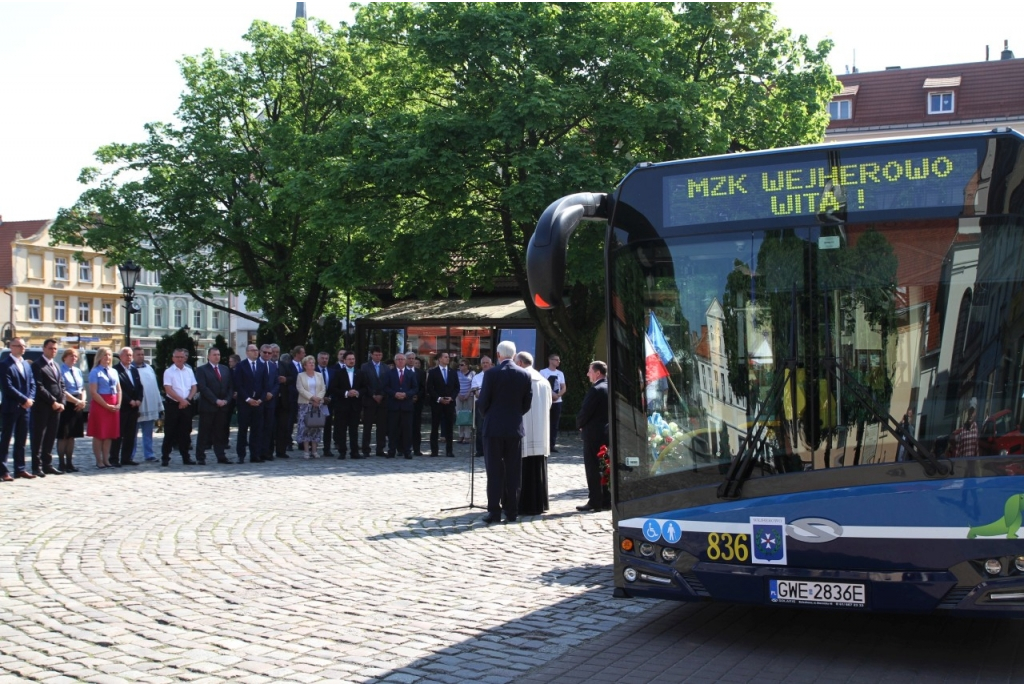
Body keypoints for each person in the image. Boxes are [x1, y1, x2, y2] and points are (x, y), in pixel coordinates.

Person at [478, 340, 533, 524]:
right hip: (514, 428)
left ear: (498, 355)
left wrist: (489, 416)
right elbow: (526, 403)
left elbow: (483, 401)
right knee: (513, 471)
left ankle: (494, 511)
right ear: (514, 354)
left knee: (494, 471)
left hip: (493, 428)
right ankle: (511, 511)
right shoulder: (524, 374)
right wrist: (515, 416)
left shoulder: (491, 373)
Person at [515, 351, 552, 516]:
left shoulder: (520, 380)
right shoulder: (544, 381)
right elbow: (550, 404)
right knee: (537, 467)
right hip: (540, 430)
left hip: (524, 431)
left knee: (523, 468)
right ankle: (540, 503)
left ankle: (523, 504)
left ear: (521, 364)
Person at [0, 338, 37, 480]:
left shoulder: (26, 365)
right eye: (19, 346)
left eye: (24, 346)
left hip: (26, 407)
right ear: (11, 347)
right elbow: (7, 387)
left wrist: (30, 399)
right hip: (11, 407)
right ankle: (3, 471)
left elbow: (32, 383)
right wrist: (24, 399)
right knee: (6, 439)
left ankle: (20, 469)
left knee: (21, 440)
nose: (22, 348)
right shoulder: (4, 365)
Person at [30, 338, 67, 476]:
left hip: (56, 408)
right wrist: (53, 401)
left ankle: (47, 464)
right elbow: (39, 387)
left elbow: (61, 385)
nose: (53, 351)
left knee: (51, 436)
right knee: (39, 437)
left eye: (55, 349)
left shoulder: (56, 365)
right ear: (44, 349)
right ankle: (36, 466)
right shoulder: (37, 365)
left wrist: (62, 401)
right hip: (43, 407)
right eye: (50, 348)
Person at [576, 360, 609, 512]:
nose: (588, 374)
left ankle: (595, 500)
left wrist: (580, 425)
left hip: (593, 434)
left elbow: (585, 411)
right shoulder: (610, 387)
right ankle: (607, 498)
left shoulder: (596, 389)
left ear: (597, 373)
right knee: (606, 466)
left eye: (590, 371)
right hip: (607, 433)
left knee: (593, 467)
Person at [196, 347, 233, 464]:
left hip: (223, 407)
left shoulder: (225, 369)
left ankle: (221, 455)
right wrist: (215, 400)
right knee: (204, 433)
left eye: (218, 354)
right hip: (208, 406)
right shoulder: (202, 370)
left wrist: (226, 400)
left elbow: (230, 387)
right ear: (208, 356)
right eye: (214, 355)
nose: (217, 357)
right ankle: (201, 457)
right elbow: (203, 388)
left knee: (220, 433)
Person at [162, 347, 198, 466]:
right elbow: (168, 389)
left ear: (185, 358)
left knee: (185, 432)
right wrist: (181, 400)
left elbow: (194, 387)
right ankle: (165, 457)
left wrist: (187, 400)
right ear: (173, 358)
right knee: (170, 432)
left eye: (182, 357)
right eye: (177, 357)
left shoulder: (189, 371)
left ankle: (186, 457)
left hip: (187, 405)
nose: (179, 359)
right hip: (173, 405)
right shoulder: (169, 372)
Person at [87, 347, 121, 469]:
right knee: (99, 434)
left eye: (110, 355)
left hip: (113, 403)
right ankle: (99, 460)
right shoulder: (95, 372)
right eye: (105, 355)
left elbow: (118, 389)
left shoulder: (114, 371)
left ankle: (106, 459)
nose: (108, 357)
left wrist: (118, 404)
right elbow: (94, 392)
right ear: (100, 357)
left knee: (109, 434)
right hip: (101, 404)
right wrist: (106, 405)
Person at [109, 347, 142, 467]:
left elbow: (139, 386)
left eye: (130, 355)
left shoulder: (134, 369)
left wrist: (139, 399)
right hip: (122, 406)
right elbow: (119, 389)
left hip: (134, 408)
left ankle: (126, 458)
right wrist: (130, 401)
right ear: (120, 356)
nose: (129, 357)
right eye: (126, 355)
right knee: (118, 434)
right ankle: (114, 458)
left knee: (131, 434)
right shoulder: (115, 370)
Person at [56, 348, 87, 473]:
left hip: (77, 404)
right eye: (71, 356)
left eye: (75, 356)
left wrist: (82, 401)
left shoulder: (78, 371)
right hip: (66, 404)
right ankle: (61, 463)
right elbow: (62, 390)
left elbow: (82, 388)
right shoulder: (61, 370)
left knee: (72, 436)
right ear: (65, 357)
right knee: (63, 435)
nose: (73, 358)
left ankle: (70, 462)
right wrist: (76, 401)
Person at [233, 344, 265, 464]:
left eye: (256, 350)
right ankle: (241, 455)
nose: (255, 352)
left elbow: (265, 384)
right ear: (247, 353)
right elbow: (238, 384)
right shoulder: (241, 366)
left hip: (258, 403)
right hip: (245, 403)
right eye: (252, 350)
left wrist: (261, 399)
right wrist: (247, 399)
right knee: (243, 430)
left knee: (256, 430)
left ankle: (255, 454)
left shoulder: (262, 366)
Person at [384, 352, 418, 459]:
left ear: (405, 361)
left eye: (402, 359)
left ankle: (407, 451)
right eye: (398, 359)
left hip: (406, 406)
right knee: (393, 430)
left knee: (407, 430)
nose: (400, 361)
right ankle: (391, 450)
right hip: (393, 405)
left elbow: (415, 388)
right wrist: (394, 394)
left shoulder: (411, 374)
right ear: (395, 361)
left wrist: (406, 394)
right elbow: (385, 387)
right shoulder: (389, 373)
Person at [427, 351, 460, 457]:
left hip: (449, 403)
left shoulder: (453, 372)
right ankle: (434, 450)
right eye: (445, 357)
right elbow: (429, 388)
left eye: (448, 357)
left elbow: (457, 387)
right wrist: (439, 398)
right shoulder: (433, 372)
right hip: (437, 403)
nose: (447, 359)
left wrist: (452, 397)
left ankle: (449, 450)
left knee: (449, 427)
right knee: (435, 427)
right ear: (440, 359)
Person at [131, 347, 161, 462]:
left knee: (148, 433)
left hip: (150, 406)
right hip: (136, 406)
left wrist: (159, 405)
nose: (141, 356)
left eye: (142, 354)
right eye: (138, 354)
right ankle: (130, 455)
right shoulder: (130, 369)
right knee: (132, 434)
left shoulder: (149, 368)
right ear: (133, 355)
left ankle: (149, 454)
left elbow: (154, 387)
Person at [331, 351, 362, 458]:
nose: (352, 361)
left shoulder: (359, 372)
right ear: (344, 361)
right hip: (342, 406)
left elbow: (365, 388)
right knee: (341, 430)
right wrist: (346, 393)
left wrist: (357, 392)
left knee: (354, 430)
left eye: (353, 359)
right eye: (349, 359)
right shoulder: (338, 373)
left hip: (355, 406)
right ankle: (342, 451)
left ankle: (355, 452)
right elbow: (333, 388)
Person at [295, 355, 326, 458]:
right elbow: (300, 389)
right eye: (310, 363)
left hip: (317, 404)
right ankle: (306, 451)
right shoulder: (300, 376)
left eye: (313, 363)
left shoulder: (319, 375)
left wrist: (318, 398)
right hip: (305, 404)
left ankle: (314, 450)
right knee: (305, 427)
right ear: (304, 365)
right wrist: (312, 397)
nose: (312, 364)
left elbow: (323, 388)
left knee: (316, 427)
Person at [360, 346, 388, 457]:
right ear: (371, 355)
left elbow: (387, 383)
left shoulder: (386, 367)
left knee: (382, 426)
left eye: (380, 355)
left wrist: (381, 395)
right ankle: (366, 449)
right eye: (376, 355)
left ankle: (380, 449)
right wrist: (373, 395)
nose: (378, 357)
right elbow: (364, 383)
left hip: (382, 401)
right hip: (369, 400)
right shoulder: (365, 367)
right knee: (367, 426)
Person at [539, 353, 566, 453]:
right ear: (550, 361)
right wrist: (551, 395)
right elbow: (542, 385)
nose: (558, 362)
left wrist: (558, 395)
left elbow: (564, 387)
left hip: (557, 402)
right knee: (545, 422)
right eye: (556, 360)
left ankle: (552, 445)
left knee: (554, 424)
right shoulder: (543, 372)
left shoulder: (560, 373)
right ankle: (543, 443)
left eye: (559, 360)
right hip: (547, 401)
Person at [258, 344, 281, 461]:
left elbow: (277, 383)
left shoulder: (273, 366)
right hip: (259, 401)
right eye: (265, 352)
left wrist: (272, 393)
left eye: (269, 353)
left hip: (271, 401)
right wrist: (263, 394)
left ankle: (268, 452)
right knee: (259, 427)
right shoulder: (256, 364)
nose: (267, 355)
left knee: (269, 427)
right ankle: (258, 452)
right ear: (260, 352)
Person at [470, 356, 493, 458]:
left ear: (491, 364)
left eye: (487, 362)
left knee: (492, 428)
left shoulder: (496, 376)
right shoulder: (476, 377)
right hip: (480, 405)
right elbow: (476, 393)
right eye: (483, 363)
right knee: (480, 429)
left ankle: (491, 450)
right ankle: (480, 450)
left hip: (493, 405)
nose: (485, 364)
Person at [406, 352, 427, 456]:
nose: (411, 360)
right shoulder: (402, 371)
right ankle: (403, 448)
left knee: (416, 427)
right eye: (409, 358)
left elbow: (423, 387)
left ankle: (416, 449)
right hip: (404, 402)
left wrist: (417, 396)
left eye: (413, 358)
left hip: (417, 403)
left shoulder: (421, 373)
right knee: (404, 426)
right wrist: (409, 396)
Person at [316, 352, 335, 457]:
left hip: (328, 403)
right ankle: (312, 447)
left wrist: (330, 398)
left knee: (328, 426)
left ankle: (327, 449)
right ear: (318, 359)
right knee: (313, 425)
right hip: (315, 402)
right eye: (322, 358)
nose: (324, 360)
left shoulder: (332, 372)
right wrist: (320, 398)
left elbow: (334, 386)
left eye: (326, 358)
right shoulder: (313, 371)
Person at [456, 360, 475, 443]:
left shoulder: (472, 373)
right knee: (459, 415)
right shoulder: (457, 373)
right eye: (459, 365)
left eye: (462, 365)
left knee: (467, 415)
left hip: (469, 397)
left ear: (467, 366)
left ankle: (467, 436)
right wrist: (458, 394)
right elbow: (454, 385)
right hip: (459, 396)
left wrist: (468, 394)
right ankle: (460, 435)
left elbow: (473, 385)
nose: (460, 366)